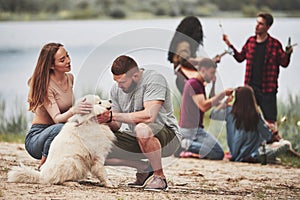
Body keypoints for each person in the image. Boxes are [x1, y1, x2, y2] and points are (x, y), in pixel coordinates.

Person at [97, 55, 181, 191]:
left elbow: (149, 116)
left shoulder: (154, 80)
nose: (119, 86)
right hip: (137, 138)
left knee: (142, 128)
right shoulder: (116, 89)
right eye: (116, 81)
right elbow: (116, 125)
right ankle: (143, 168)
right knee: (94, 147)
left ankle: (159, 177)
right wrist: (103, 120)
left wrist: (113, 115)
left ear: (135, 75)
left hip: (167, 137)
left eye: (122, 82)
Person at [25, 43, 93, 170]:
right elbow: (57, 118)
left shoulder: (70, 78)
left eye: (67, 55)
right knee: (60, 128)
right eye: (62, 60)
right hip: (37, 139)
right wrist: (74, 110)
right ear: (51, 65)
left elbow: (68, 114)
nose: (68, 61)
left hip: (58, 135)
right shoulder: (46, 86)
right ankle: (44, 165)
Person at [223, 12, 293, 132]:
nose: (257, 26)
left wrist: (288, 53)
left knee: (270, 123)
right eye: (257, 23)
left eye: (260, 24)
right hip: (250, 89)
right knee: (246, 120)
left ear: (268, 27)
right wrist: (229, 45)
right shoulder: (250, 42)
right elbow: (240, 57)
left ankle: (274, 144)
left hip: (268, 89)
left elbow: (284, 63)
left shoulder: (275, 44)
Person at [210, 86, 287, 163]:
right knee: (286, 145)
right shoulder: (255, 115)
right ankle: (262, 158)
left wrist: (225, 103)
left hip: (234, 154)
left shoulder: (229, 112)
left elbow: (213, 115)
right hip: (253, 154)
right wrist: (273, 131)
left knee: (270, 154)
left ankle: (267, 159)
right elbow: (267, 136)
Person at [178, 57, 233, 160]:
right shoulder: (194, 84)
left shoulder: (198, 84)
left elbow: (210, 100)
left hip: (191, 129)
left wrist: (224, 101)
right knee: (218, 153)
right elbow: (203, 106)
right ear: (203, 70)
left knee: (215, 153)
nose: (213, 76)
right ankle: (185, 144)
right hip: (191, 129)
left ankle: (188, 146)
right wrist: (223, 94)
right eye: (212, 73)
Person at [167, 16, 223, 94]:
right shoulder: (184, 45)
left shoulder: (182, 44)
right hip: (186, 82)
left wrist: (210, 61)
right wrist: (208, 61)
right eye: (198, 30)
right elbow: (185, 60)